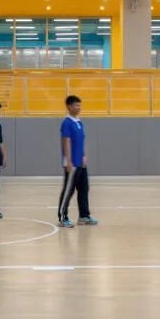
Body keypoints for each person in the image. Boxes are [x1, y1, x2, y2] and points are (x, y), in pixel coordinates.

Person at [57, 95, 96, 228]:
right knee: (68, 191)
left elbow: (81, 141)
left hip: (81, 163)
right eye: (76, 105)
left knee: (84, 189)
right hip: (72, 163)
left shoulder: (79, 122)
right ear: (69, 106)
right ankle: (63, 217)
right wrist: (68, 161)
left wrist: (84, 156)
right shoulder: (67, 123)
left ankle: (84, 216)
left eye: (80, 105)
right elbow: (66, 141)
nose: (79, 107)